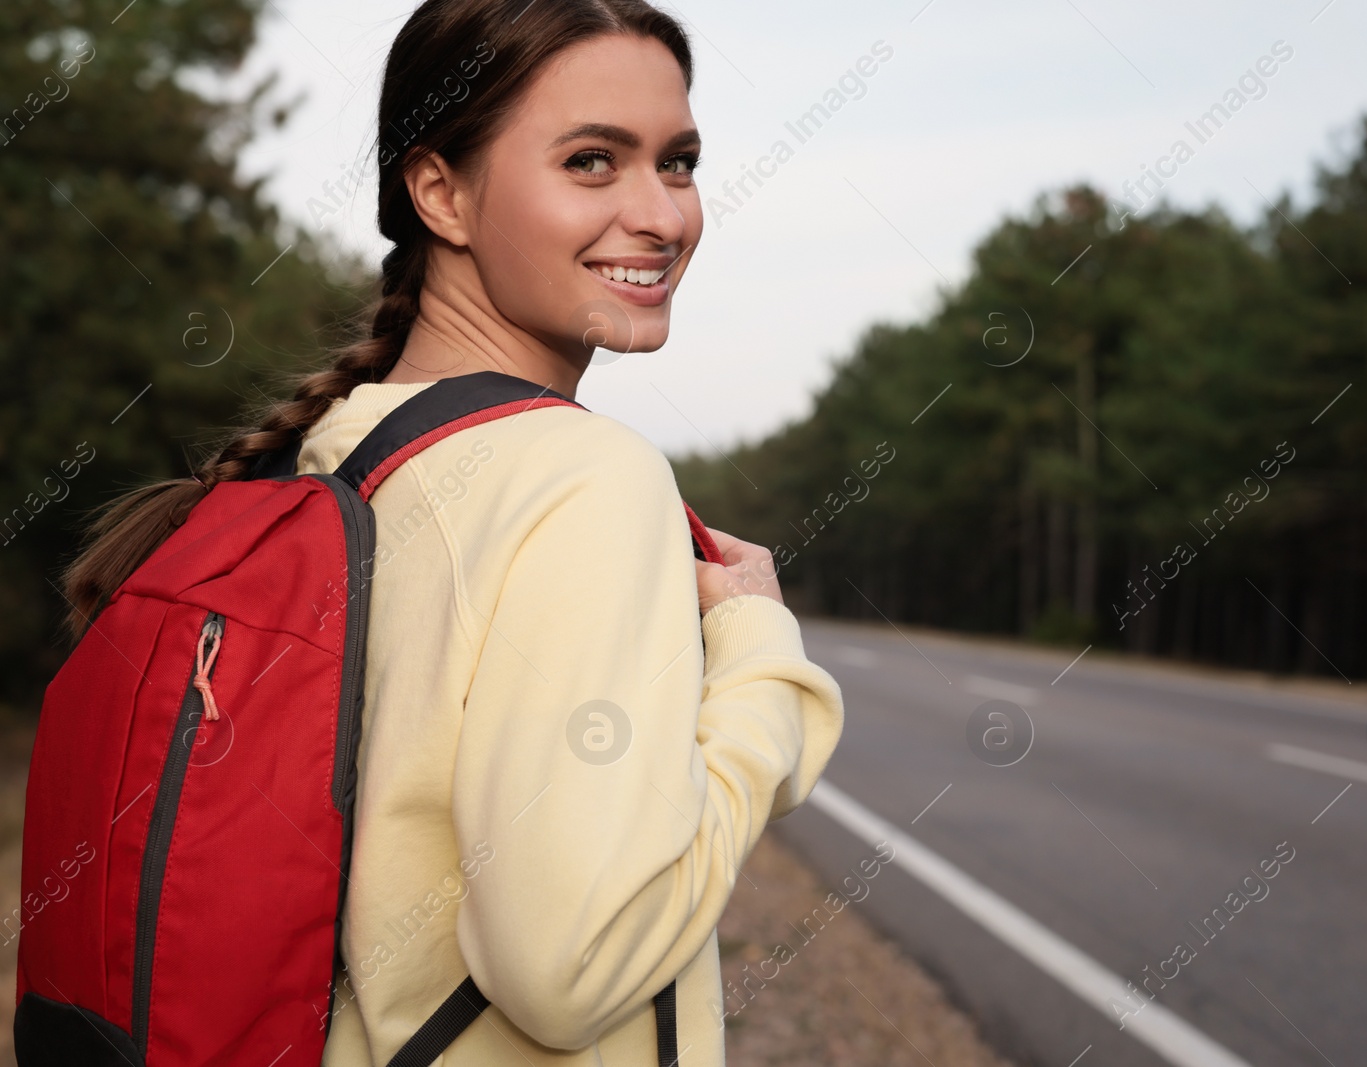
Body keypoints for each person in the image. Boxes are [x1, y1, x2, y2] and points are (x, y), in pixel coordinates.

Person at [60, 1, 845, 1063]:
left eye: (679, 161)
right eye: (591, 161)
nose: (661, 215)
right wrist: (758, 663)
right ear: (441, 192)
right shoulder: (584, 478)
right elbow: (572, 967)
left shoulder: (334, 454)